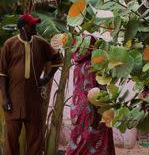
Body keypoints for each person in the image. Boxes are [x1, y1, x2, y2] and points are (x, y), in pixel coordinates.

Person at [0, 13, 62, 155]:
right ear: (22, 27)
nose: (35, 27)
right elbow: (2, 73)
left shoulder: (40, 43)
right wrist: (5, 98)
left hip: (33, 99)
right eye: (31, 24)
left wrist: (47, 78)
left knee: (35, 138)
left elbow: (57, 59)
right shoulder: (10, 44)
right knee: (11, 138)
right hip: (13, 99)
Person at [65, 36, 115, 155]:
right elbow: (95, 92)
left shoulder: (77, 65)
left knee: (78, 141)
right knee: (97, 141)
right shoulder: (92, 65)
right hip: (92, 109)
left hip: (77, 109)